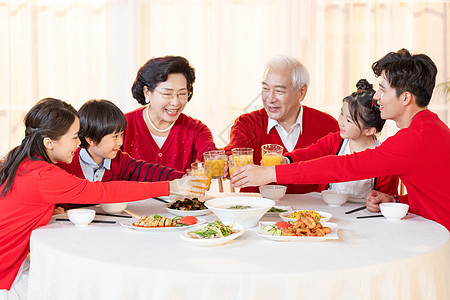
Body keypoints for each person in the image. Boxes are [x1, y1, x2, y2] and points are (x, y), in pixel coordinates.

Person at [0, 98, 204, 296]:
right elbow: (104, 192)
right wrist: (171, 187)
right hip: (7, 275)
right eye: (74, 137)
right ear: (49, 143)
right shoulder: (44, 175)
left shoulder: (24, 161)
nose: (78, 142)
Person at [231, 49, 450, 230]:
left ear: (405, 98)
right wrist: (398, 201)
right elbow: (437, 195)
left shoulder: (413, 139)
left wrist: (271, 172)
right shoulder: (431, 128)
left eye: (382, 89)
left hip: (441, 237)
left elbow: (344, 166)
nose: (376, 97)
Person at [224, 55, 339, 194]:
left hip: (310, 213)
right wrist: (226, 164)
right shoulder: (247, 123)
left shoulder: (328, 126)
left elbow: (340, 171)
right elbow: (234, 156)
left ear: (301, 92)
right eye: (266, 89)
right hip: (259, 212)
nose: (270, 99)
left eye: (279, 91)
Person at [282, 79, 398, 202]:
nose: (341, 122)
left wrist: (377, 204)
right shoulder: (335, 141)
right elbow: (310, 153)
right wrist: (287, 159)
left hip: (361, 213)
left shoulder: (383, 158)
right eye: (342, 114)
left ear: (369, 130)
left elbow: (387, 198)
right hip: (328, 206)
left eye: (348, 120)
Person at [123, 56, 217, 172]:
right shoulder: (121, 126)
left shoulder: (196, 130)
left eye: (182, 94)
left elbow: (212, 158)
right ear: (147, 92)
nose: (175, 102)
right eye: (167, 94)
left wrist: (220, 164)